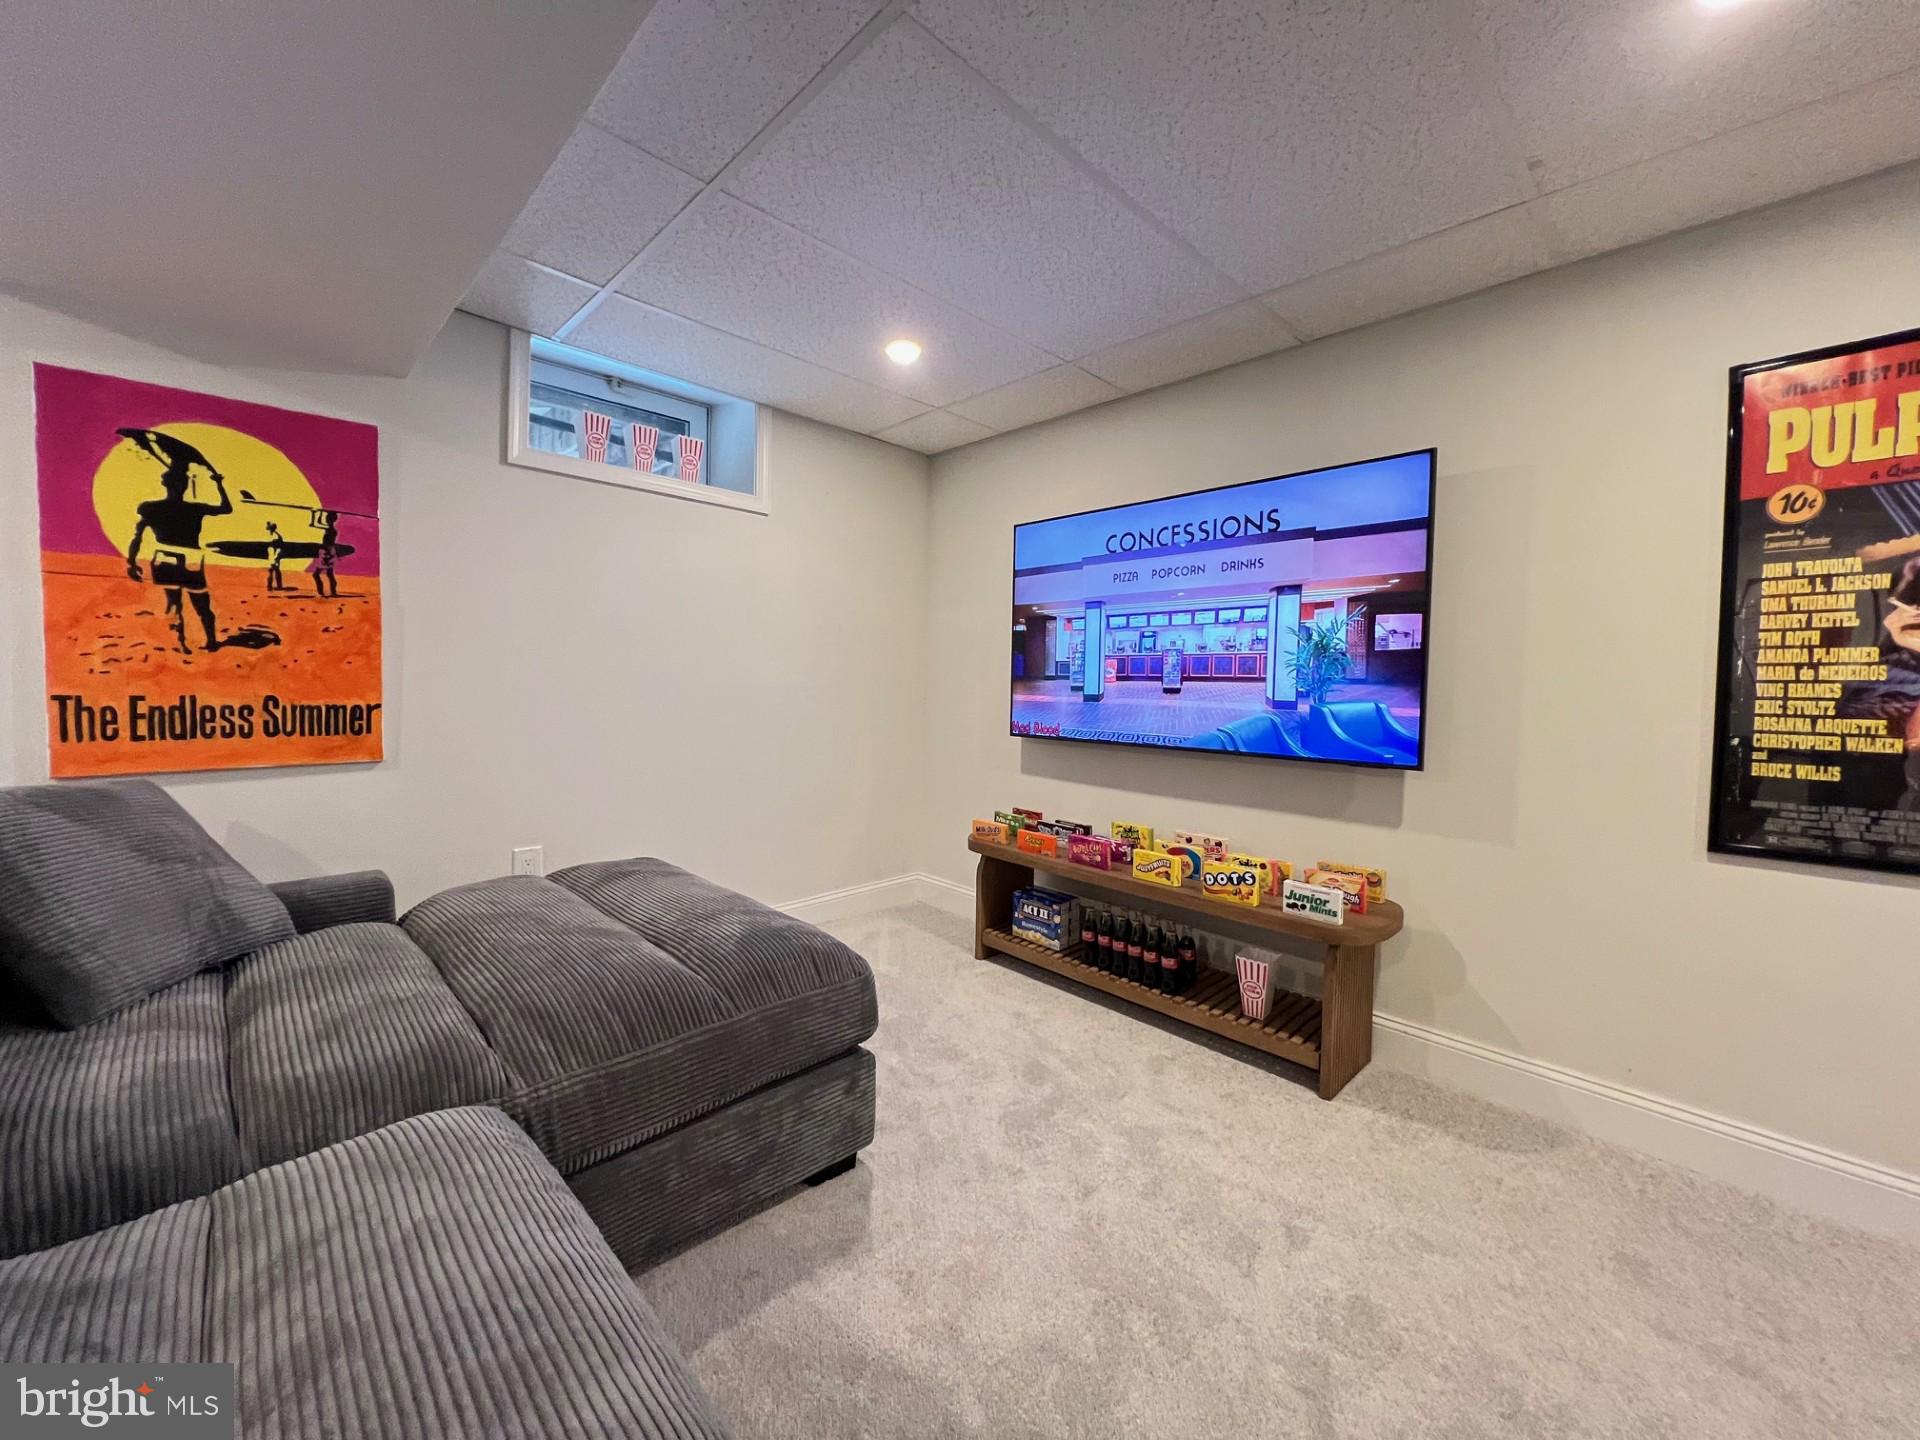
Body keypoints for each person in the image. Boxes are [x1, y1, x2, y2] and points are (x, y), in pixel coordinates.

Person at [122, 430, 232, 653]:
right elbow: (226, 508)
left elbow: (137, 537)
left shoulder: (151, 508)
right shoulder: (194, 509)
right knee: (202, 604)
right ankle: (210, 641)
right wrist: (218, 484)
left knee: (175, 603)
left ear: (166, 484)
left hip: (165, 559)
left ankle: (181, 642)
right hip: (190, 559)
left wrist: (131, 562)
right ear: (183, 486)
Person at [311, 510, 339, 598]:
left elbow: (315, 524)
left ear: (331, 519)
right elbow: (317, 523)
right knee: (329, 574)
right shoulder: (331, 529)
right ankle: (333, 592)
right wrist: (317, 514)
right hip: (329, 552)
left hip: (327, 553)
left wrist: (315, 514)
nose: (326, 519)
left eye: (327, 518)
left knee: (316, 574)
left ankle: (321, 592)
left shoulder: (330, 529)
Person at [265, 522, 286, 592]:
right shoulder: (273, 535)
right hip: (272, 554)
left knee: (272, 570)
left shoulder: (275, 537)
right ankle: (277, 585)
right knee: (276, 570)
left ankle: (270, 586)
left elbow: (279, 548)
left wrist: (276, 557)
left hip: (274, 554)